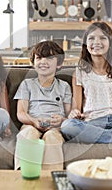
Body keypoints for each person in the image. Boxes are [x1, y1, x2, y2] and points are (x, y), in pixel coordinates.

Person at [14, 41, 72, 170]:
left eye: (50, 58)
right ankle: (22, 173)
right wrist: (34, 121)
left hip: (55, 127)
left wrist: (61, 120)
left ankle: (50, 176)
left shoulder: (64, 86)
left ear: (59, 64)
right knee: (28, 133)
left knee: (52, 137)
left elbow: (69, 115)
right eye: (39, 58)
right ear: (33, 62)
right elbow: (21, 112)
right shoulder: (27, 84)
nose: (43, 61)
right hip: (31, 123)